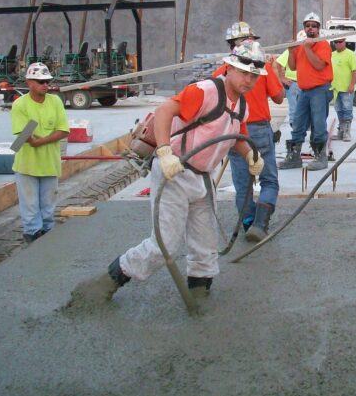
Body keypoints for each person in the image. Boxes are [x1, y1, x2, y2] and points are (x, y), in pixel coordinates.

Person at [68, 44, 266, 305]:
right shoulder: (205, 91)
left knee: (205, 242)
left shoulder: (241, 105)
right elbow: (165, 111)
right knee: (165, 245)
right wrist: (164, 151)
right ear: (229, 68)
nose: (249, 80)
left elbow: (237, 135)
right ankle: (111, 278)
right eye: (244, 73)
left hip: (203, 179)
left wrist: (250, 154)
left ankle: (199, 289)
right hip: (175, 171)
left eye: (254, 76)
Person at [217, 40, 285, 242]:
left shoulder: (224, 71)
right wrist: (274, 72)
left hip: (234, 130)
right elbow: (280, 97)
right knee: (269, 180)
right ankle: (260, 224)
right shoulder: (261, 67)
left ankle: (248, 223)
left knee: (243, 185)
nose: (248, 79)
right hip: (259, 130)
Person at [11, 62, 70, 243]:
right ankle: (33, 237)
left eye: (47, 81)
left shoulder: (55, 101)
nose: (45, 85)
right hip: (26, 165)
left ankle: (48, 239)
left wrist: (39, 140)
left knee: (48, 208)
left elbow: (63, 130)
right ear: (29, 82)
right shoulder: (20, 104)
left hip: (49, 164)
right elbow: (22, 136)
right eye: (40, 81)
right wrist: (35, 138)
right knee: (30, 209)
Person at [279, 13, 333, 171]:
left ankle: (320, 157)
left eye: (314, 26)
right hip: (304, 90)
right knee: (298, 123)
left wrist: (308, 48)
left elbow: (319, 65)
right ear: (304, 28)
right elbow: (293, 66)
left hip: (319, 90)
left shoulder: (322, 45)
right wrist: (290, 51)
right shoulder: (301, 46)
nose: (310, 28)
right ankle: (294, 157)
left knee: (318, 124)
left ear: (318, 29)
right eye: (307, 25)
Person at [330, 35, 356, 142]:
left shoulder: (350, 54)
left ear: (344, 42)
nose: (338, 44)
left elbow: (355, 70)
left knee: (347, 110)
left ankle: (347, 132)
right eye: (336, 42)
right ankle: (341, 132)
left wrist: (352, 84)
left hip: (347, 89)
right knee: (339, 110)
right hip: (336, 89)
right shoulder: (332, 55)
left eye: (340, 41)